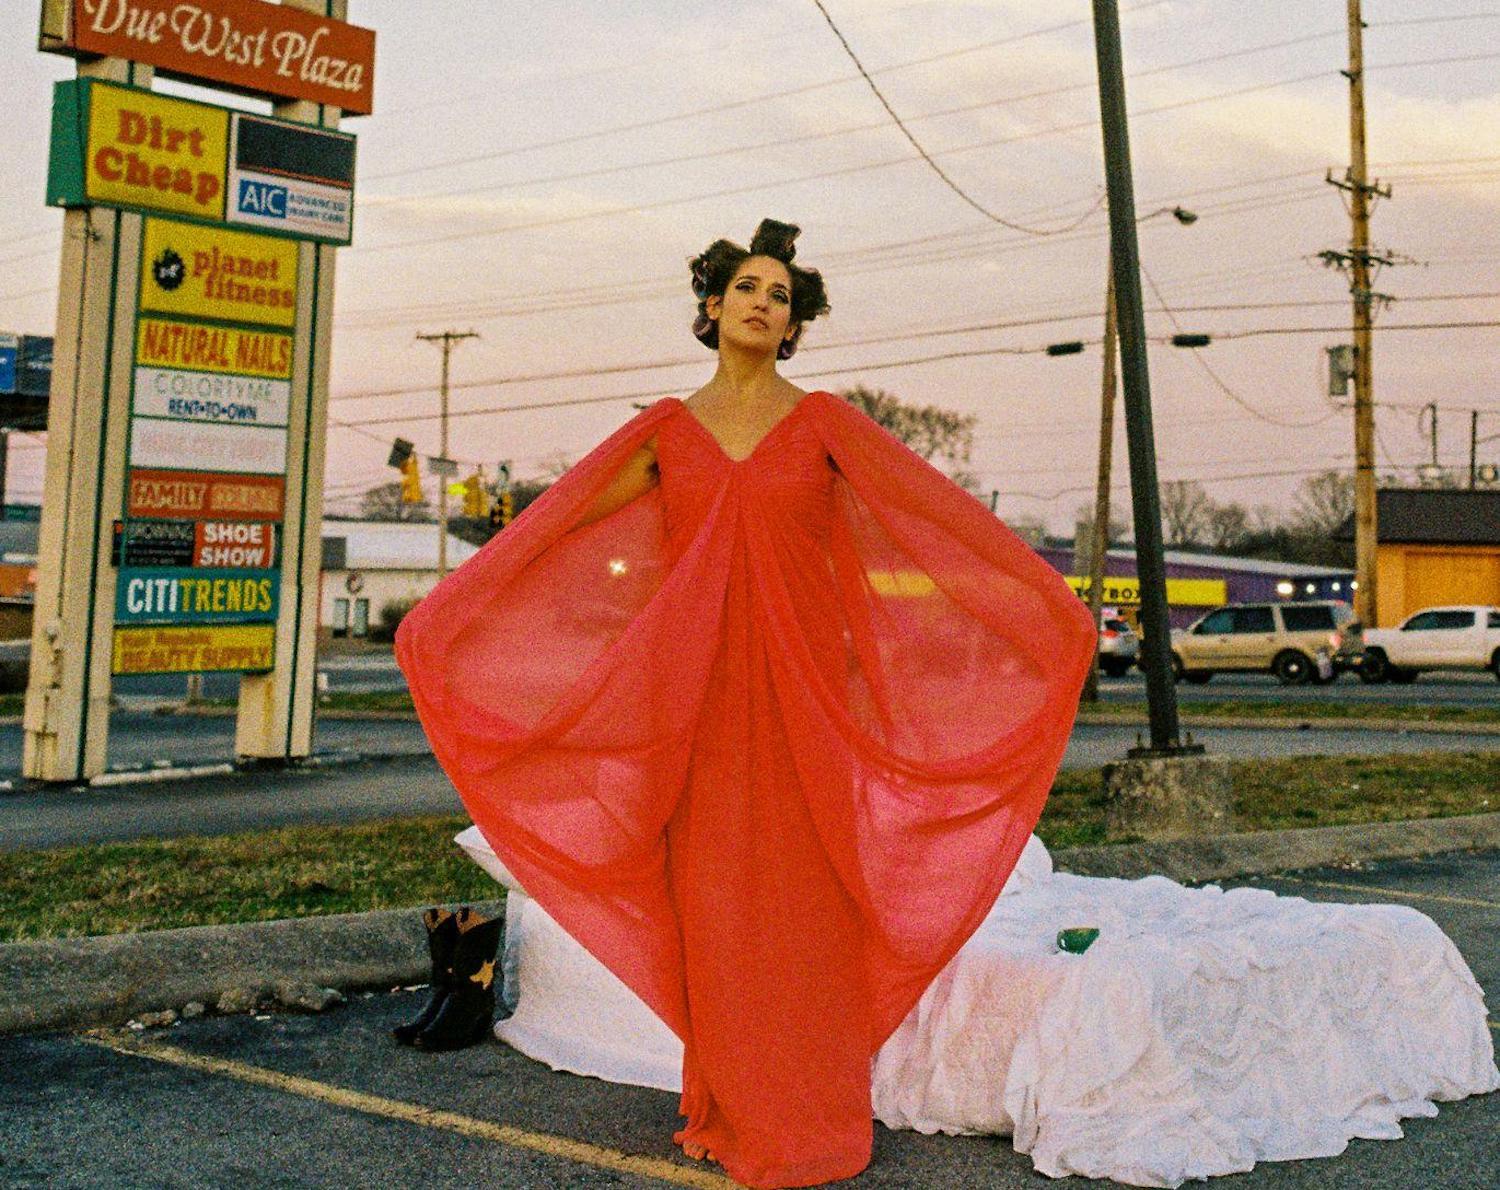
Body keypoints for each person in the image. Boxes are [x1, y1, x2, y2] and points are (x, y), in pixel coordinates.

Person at [395, 218, 1096, 1188]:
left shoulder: (826, 428)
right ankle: (729, 1095)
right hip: (699, 709)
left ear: (794, 323)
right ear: (713, 307)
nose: (764, 304)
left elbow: (939, 520)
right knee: (717, 913)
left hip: (809, 700)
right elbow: (549, 529)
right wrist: (446, 614)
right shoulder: (662, 434)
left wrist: (1048, 609)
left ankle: (809, 1109)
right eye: (748, 288)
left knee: (806, 916)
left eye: (782, 296)